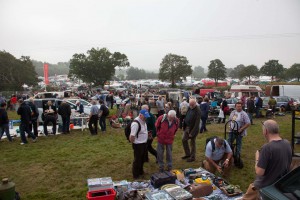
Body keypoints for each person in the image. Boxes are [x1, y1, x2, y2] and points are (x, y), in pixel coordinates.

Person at [241, 120, 292, 200]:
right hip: (279, 185)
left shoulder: (267, 148)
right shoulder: (287, 143)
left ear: (266, 131)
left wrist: (257, 158)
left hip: (263, 187)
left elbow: (259, 172)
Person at [129, 109, 149, 179]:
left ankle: (141, 171)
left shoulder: (143, 121)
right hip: (138, 145)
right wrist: (134, 142)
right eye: (145, 116)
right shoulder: (135, 123)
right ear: (140, 115)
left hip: (143, 143)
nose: (146, 118)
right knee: (137, 160)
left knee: (142, 159)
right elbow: (132, 136)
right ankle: (136, 175)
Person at [182, 98, 201, 162]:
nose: (191, 106)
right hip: (187, 127)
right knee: (184, 140)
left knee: (192, 143)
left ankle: (192, 157)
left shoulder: (198, 110)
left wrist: (192, 133)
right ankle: (188, 154)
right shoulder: (189, 107)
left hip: (193, 129)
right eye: (190, 105)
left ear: (195, 103)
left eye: (192, 105)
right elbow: (186, 115)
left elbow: (197, 123)